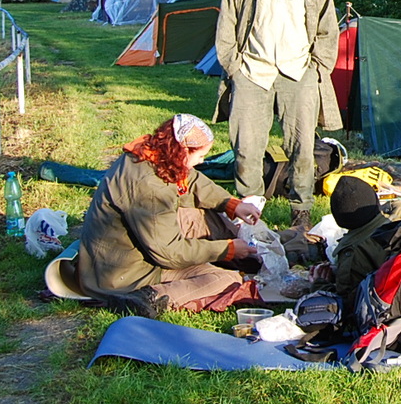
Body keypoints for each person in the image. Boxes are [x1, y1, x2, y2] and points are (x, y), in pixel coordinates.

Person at [213, 0, 341, 230]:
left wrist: (317, 68)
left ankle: (301, 212)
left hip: (299, 72)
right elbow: (227, 21)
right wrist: (233, 66)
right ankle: (250, 213)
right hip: (252, 71)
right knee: (246, 148)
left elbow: (328, 28)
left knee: (302, 148)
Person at [78, 114, 264, 316]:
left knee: (202, 216)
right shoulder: (150, 188)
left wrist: (231, 204)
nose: (202, 161)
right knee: (226, 280)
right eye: (201, 155)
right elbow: (169, 253)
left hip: (118, 257)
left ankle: (245, 256)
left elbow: (192, 181)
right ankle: (146, 298)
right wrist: (226, 250)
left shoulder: (150, 154)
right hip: (123, 276)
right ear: (183, 151)